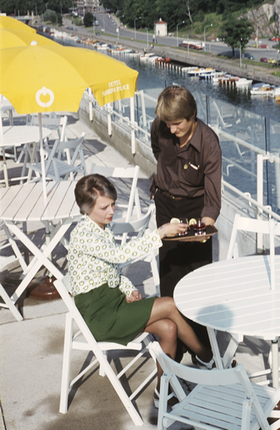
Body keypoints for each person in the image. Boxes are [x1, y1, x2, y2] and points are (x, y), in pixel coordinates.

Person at [68, 174, 213, 406]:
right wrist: (161, 233)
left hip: (111, 301)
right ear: (86, 209)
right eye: (104, 206)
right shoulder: (84, 235)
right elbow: (118, 256)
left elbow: (111, 266)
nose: (111, 211)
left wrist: (126, 287)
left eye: (113, 204)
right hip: (99, 315)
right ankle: (207, 358)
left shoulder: (101, 228)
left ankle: (162, 392)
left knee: (168, 328)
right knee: (170, 304)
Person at [150, 85, 222, 297]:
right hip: (164, 203)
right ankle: (172, 326)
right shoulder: (159, 126)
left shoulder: (209, 144)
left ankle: (199, 329)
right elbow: (157, 150)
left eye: (177, 124)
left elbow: (213, 194)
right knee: (169, 267)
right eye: (168, 125)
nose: (172, 130)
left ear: (192, 115)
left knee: (196, 270)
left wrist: (204, 227)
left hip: (195, 209)